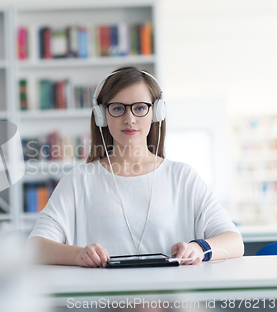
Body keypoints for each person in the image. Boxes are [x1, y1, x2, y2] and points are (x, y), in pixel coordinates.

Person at [25, 66, 244, 268]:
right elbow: (33, 248)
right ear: (102, 116)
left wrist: (199, 249)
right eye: (118, 108)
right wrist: (77, 255)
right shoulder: (79, 180)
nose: (129, 119)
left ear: (156, 113)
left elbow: (234, 242)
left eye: (140, 108)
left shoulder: (182, 177)